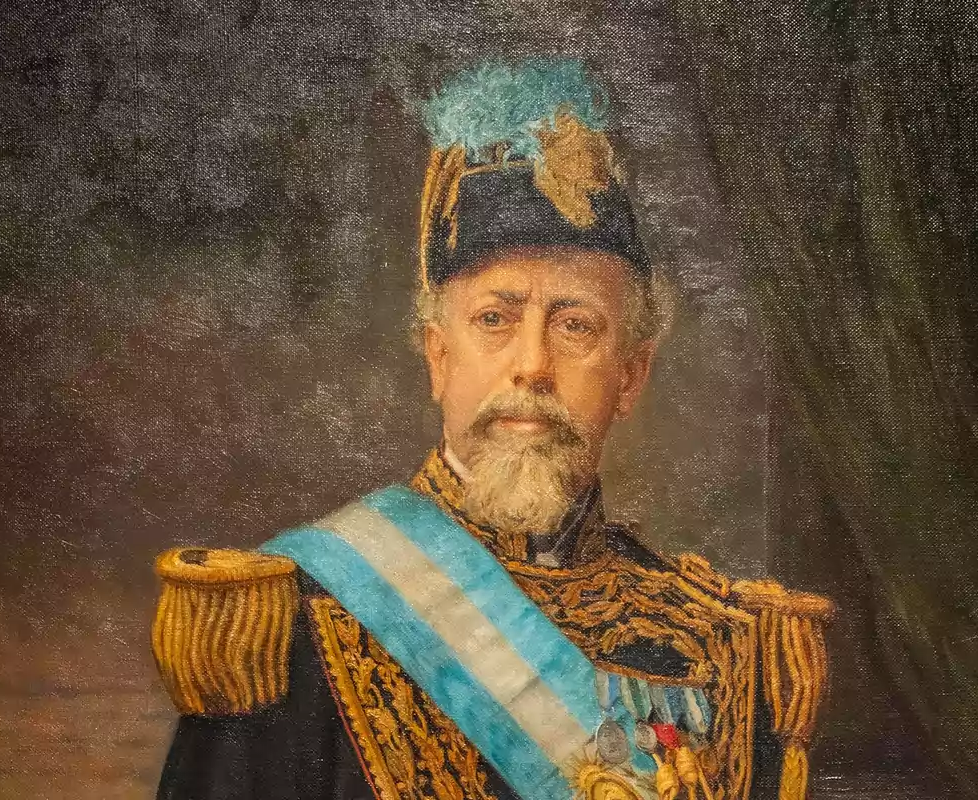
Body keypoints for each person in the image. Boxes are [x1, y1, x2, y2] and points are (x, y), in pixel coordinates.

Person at [151, 60, 834, 800]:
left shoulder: (727, 646)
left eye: (575, 325)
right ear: (439, 358)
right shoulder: (294, 626)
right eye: (494, 320)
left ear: (631, 376)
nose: (532, 365)